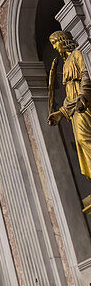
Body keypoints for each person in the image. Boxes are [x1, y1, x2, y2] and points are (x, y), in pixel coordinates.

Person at [48, 30, 91, 202]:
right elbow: (69, 95)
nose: (54, 47)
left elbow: (86, 76)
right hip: (75, 110)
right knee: (81, 142)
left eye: (55, 43)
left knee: (85, 138)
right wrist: (61, 113)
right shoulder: (66, 65)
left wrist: (83, 97)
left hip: (84, 106)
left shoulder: (78, 54)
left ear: (62, 40)